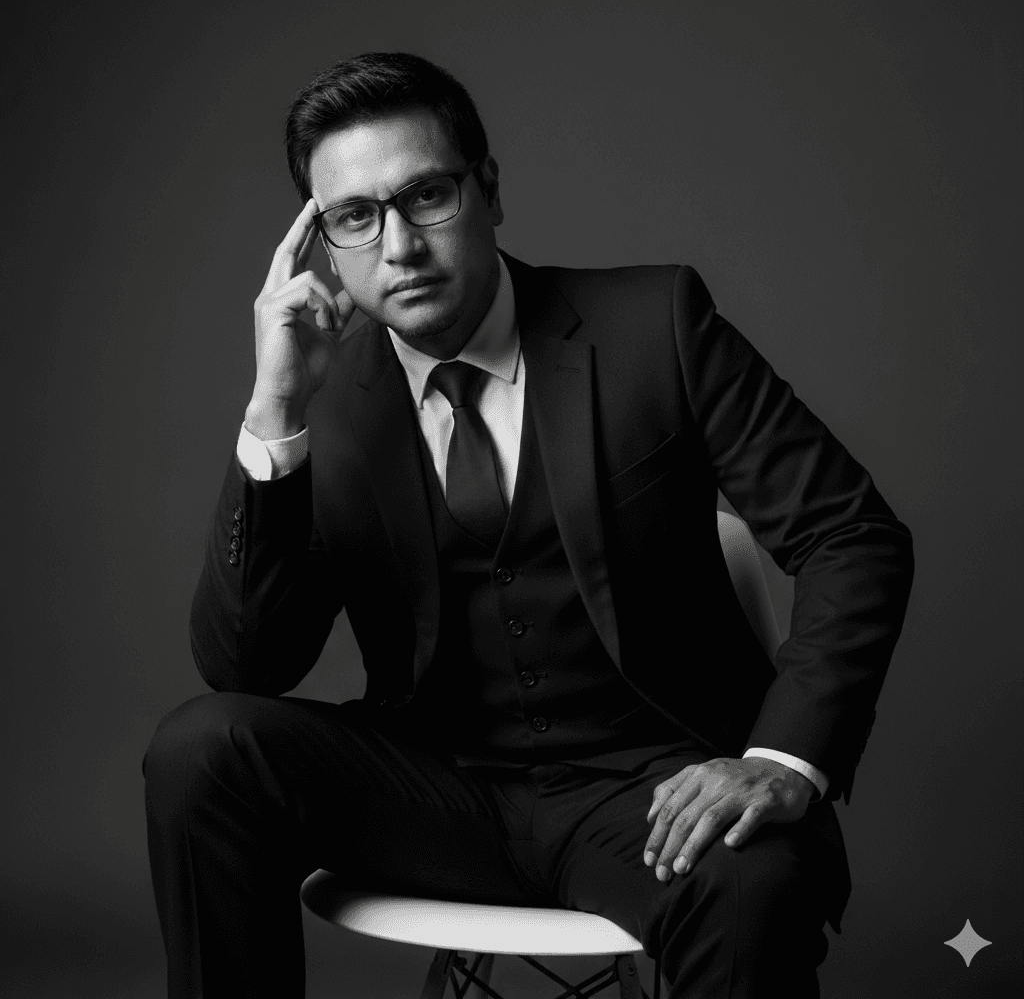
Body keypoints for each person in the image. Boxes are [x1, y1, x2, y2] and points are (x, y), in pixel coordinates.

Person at [143, 52, 914, 997]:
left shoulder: (651, 325)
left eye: (427, 196)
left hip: (650, 792)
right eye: (356, 216)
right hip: (437, 794)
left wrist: (783, 759)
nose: (399, 247)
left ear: (488, 191)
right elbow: (246, 667)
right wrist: (274, 413)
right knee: (200, 751)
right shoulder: (323, 403)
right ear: (324, 242)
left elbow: (852, 534)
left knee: (751, 879)